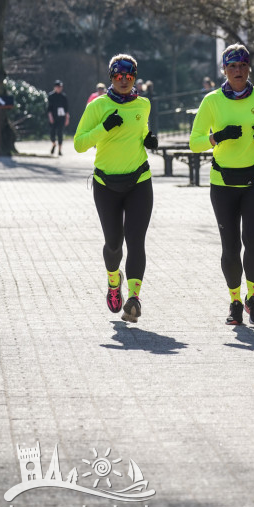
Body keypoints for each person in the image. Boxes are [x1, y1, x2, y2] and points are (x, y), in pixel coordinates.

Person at [189, 44, 254, 326]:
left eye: (243, 65)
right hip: (223, 182)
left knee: (252, 240)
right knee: (230, 246)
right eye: (232, 67)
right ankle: (234, 301)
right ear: (224, 70)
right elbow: (194, 143)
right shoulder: (212, 101)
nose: (238, 71)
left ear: (249, 68)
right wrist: (216, 137)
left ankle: (252, 297)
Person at [73, 54, 158, 323]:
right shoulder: (98, 106)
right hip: (106, 184)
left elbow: (141, 129)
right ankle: (113, 280)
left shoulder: (143, 104)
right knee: (113, 244)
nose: (123, 80)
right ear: (111, 76)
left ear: (134, 78)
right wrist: (103, 127)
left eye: (129, 76)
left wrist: (148, 138)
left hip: (139, 181)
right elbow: (79, 143)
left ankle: (133, 299)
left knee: (135, 241)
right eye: (119, 75)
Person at [47, 80, 70, 155]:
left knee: (60, 133)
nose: (60, 88)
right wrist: (50, 117)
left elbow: (66, 109)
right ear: (55, 87)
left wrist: (67, 119)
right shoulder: (51, 96)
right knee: (52, 133)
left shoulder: (64, 97)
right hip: (53, 117)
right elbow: (49, 109)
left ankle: (60, 150)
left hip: (61, 118)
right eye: (58, 87)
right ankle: (54, 144)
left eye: (61, 87)